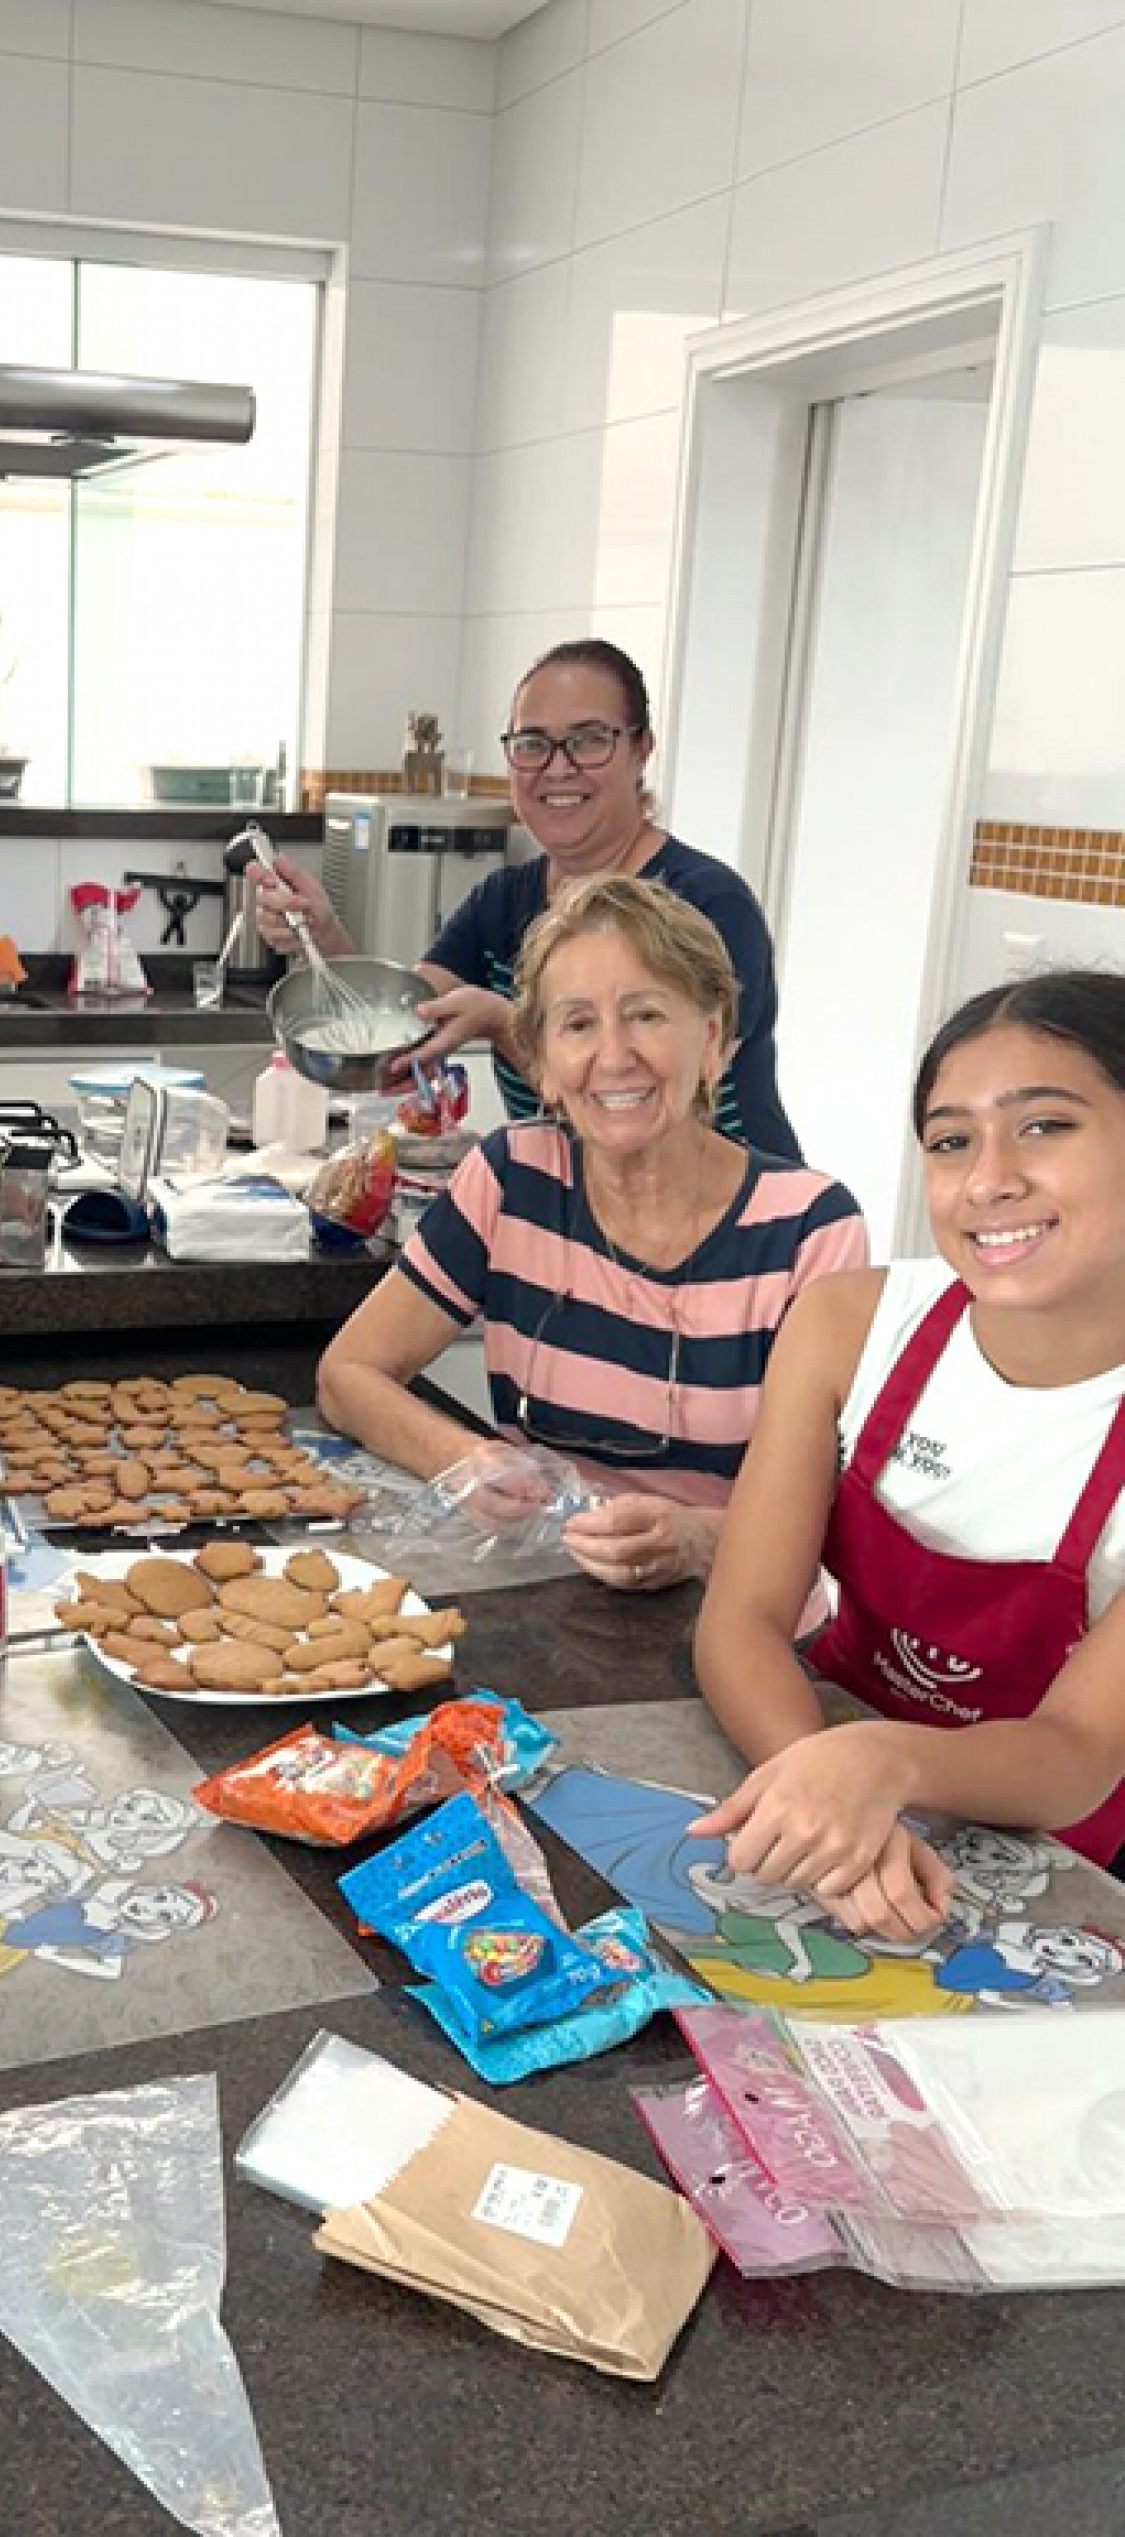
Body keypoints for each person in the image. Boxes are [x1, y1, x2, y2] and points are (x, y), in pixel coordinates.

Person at [694, 970, 1125, 1938]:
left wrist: (883, 1770)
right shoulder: (853, 1322)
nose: (987, 1178)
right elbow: (744, 1617)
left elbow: (1079, 1748)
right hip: (814, 1738)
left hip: (1058, 1842)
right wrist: (820, 1798)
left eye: (1044, 1125)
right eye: (949, 1140)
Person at [317, 877, 865, 1591]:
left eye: (644, 1015)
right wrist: (465, 1457)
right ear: (540, 1063)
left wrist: (695, 1538)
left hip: (736, 1618)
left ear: (712, 1040)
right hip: (545, 1592)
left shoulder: (807, 1229)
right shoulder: (513, 1177)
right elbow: (346, 1374)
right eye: (577, 1024)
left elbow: (828, 1511)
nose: (612, 1056)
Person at [257, 637, 800, 1158]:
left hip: (731, 1225)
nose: (558, 768)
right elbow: (404, 1022)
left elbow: (649, 1108)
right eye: (533, 745)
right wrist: (321, 934)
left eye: (589, 740)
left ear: (642, 749)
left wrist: (505, 1026)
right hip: (586, 1215)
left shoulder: (707, 907)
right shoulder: (504, 902)